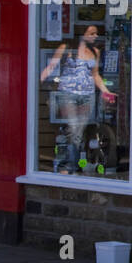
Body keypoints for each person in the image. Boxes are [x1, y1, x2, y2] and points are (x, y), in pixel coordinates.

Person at [41, 24, 116, 173]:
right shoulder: (67, 48)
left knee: (79, 131)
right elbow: (51, 66)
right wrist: (39, 81)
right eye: (92, 33)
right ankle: (68, 166)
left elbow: (95, 75)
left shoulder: (95, 52)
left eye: (96, 33)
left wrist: (106, 92)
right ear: (83, 33)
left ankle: (72, 164)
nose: (95, 36)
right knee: (73, 128)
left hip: (87, 95)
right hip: (67, 94)